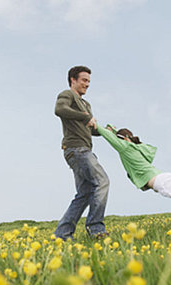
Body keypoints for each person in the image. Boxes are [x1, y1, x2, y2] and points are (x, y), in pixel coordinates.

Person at [53, 66, 110, 240]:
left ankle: (62, 234)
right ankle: (96, 228)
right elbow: (59, 109)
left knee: (84, 193)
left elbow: (89, 128)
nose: (87, 84)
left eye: (89, 82)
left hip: (82, 150)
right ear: (73, 80)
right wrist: (85, 117)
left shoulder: (86, 104)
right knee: (102, 181)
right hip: (77, 149)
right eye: (84, 80)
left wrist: (105, 130)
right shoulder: (67, 95)